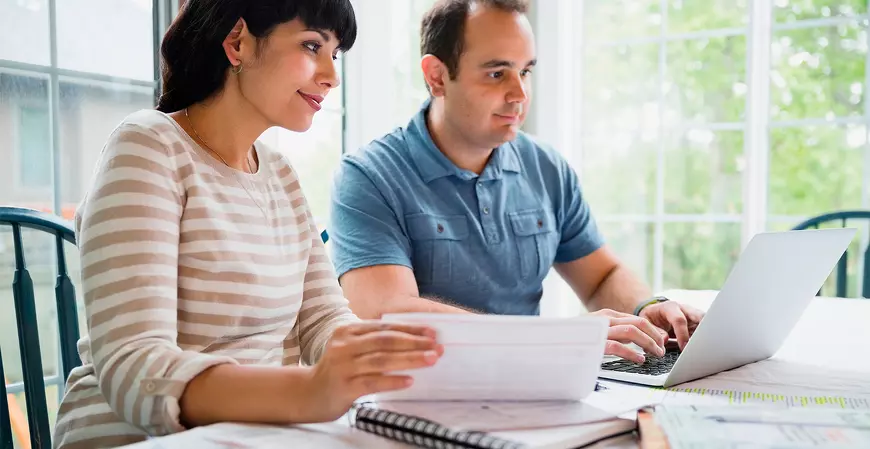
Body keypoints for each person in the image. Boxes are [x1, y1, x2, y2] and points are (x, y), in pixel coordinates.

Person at [51, 1, 443, 448]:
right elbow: (135, 365)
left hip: (252, 434)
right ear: (237, 42)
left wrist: (398, 360)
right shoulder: (148, 146)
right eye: (311, 46)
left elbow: (323, 320)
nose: (331, 76)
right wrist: (308, 392)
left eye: (334, 55)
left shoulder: (280, 173)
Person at [330, 0, 704, 365]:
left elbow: (601, 276)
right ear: (437, 77)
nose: (520, 94)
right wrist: (556, 338)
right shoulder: (368, 175)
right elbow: (386, 312)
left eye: (525, 71)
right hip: (424, 389)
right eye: (497, 74)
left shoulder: (546, 167)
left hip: (538, 381)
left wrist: (645, 308)